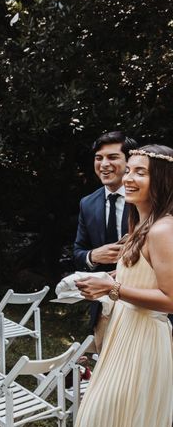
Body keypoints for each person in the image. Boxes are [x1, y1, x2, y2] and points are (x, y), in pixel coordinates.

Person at [71, 144, 173, 427]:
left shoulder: (163, 229)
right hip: (123, 332)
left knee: (116, 423)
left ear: (163, 180)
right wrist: (110, 277)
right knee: (103, 424)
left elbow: (170, 298)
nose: (128, 177)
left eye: (140, 172)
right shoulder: (141, 225)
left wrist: (112, 289)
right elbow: (144, 274)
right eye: (129, 169)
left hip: (144, 341)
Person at [74, 131, 138, 333]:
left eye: (112, 157)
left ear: (130, 161)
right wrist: (94, 255)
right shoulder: (88, 203)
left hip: (142, 302)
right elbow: (77, 252)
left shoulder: (148, 201)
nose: (103, 164)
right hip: (103, 307)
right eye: (98, 158)